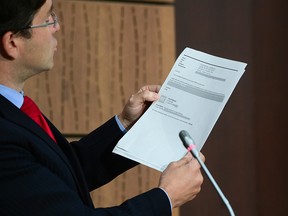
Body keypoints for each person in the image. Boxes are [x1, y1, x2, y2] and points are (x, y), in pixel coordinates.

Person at [0, 0, 205, 215]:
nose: (56, 26)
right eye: (46, 19)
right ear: (12, 43)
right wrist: (166, 197)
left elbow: (62, 172)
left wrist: (125, 124)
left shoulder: (15, 107)